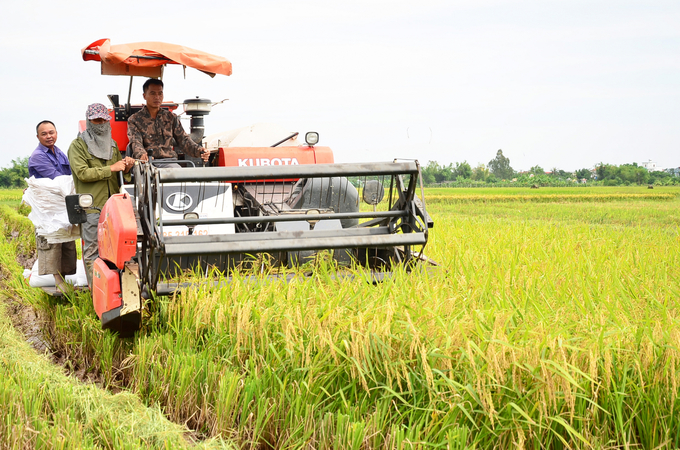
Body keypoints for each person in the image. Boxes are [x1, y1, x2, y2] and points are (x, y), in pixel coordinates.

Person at [68, 103, 134, 288]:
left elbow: (117, 174)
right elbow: (82, 173)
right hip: (91, 208)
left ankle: (113, 291)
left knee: (113, 251)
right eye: (96, 120)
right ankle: (95, 293)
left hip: (113, 207)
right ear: (89, 122)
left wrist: (125, 167)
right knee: (92, 252)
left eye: (104, 120)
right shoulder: (78, 146)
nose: (101, 124)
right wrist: (111, 168)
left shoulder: (112, 145)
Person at [28, 120, 78, 291]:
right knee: (52, 242)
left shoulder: (59, 152)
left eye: (51, 132)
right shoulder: (38, 156)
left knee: (66, 239)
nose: (49, 136)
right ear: (38, 136)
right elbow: (58, 179)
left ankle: (62, 282)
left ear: (56, 133)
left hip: (62, 203)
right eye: (44, 134)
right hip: (48, 206)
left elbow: (70, 173)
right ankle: (58, 283)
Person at [127, 78, 210, 166]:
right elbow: (136, 142)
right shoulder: (135, 120)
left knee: (178, 173)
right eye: (153, 93)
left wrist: (200, 151)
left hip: (170, 162)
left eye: (160, 93)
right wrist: (142, 155)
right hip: (147, 163)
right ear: (144, 96)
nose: (157, 97)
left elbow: (184, 140)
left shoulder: (170, 117)